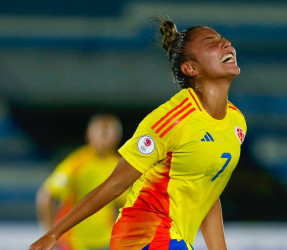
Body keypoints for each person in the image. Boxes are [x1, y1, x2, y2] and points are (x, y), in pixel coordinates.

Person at [30, 19, 247, 250]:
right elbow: (115, 185)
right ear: (191, 68)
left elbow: (207, 192)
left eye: (223, 38)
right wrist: (53, 234)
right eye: (211, 42)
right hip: (143, 236)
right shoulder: (172, 120)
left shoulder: (236, 122)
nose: (226, 43)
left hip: (171, 239)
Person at [36, 113, 126, 250]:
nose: (106, 136)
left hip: (106, 240)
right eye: (102, 131)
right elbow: (46, 196)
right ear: (89, 134)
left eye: (110, 131)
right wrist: (49, 233)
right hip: (74, 241)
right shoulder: (76, 164)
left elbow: (126, 204)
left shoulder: (119, 165)